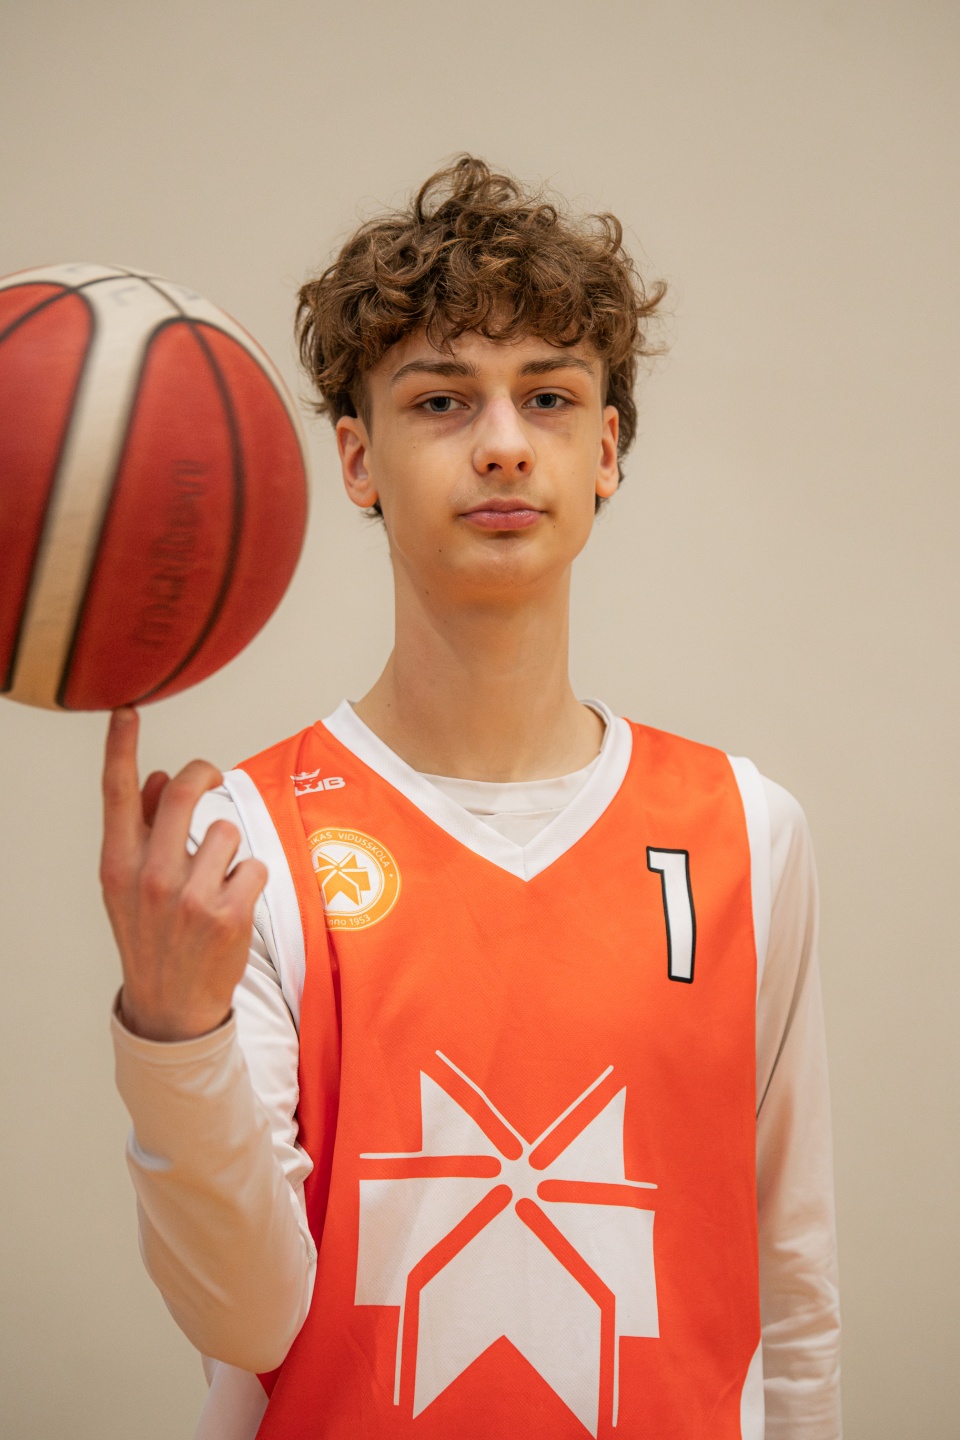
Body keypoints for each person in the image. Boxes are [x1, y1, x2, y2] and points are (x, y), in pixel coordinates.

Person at [102, 156, 841, 1440]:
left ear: (604, 451)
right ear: (358, 459)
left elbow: (794, 1287)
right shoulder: (249, 844)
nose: (503, 442)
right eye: (442, 400)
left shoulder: (744, 829)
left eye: (548, 398)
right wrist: (172, 1039)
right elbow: (247, 1322)